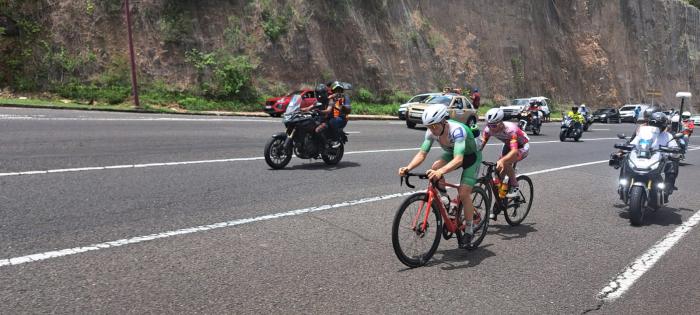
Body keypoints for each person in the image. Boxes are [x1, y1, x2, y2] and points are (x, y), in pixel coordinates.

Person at [398, 104, 482, 248]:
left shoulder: (457, 131)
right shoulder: (431, 132)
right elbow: (422, 153)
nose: (432, 130)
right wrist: (408, 167)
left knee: (463, 193)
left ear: (444, 121)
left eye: (435, 126)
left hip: (470, 157)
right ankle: (445, 199)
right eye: (429, 126)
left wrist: (441, 172)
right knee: (435, 167)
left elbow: (459, 160)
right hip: (453, 152)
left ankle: (469, 228)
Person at [480, 108, 530, 219]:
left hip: (522, 147)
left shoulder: (510, 130)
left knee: (505, 163)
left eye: (494, 126)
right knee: (498, 177)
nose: (491, 128)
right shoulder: (488, 130)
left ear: (501, 123)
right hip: (509, 145)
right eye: (489, 125)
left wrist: (502, 160)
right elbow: (481, 145)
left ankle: (515, 186)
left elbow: (514, 151)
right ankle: (499, 203)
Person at [326, 81, 351, 148]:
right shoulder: (330, 97)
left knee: (332, 121)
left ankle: (335, 140)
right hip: (330, 116)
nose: (338, 91)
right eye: (336, 90)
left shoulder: (345, 97)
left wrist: (343, 106)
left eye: (339, 90)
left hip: (341, 118)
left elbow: (348, 109)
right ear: (333, 90)